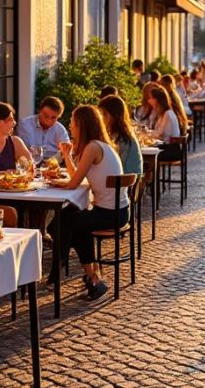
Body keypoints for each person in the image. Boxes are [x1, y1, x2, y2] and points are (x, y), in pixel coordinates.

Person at [54, 105, 131, 301]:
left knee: (66, 222)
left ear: (82, 125)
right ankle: (92, 277)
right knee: (71, 219)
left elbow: (73, 183)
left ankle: (61, 266)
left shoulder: (92, 147)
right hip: (118, 210)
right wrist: (67, 154)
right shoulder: (100, 145)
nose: (70, 127)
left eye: (72, 123)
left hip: (110, 213)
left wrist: (54, 183)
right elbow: (76, 177)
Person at [98, 95, 143, 176]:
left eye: (104, 114)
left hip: (124, 185)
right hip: (123, 183)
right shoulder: (117, 135)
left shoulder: (123, 139)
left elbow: (112, 166)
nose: (101, 118)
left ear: (115, 116)